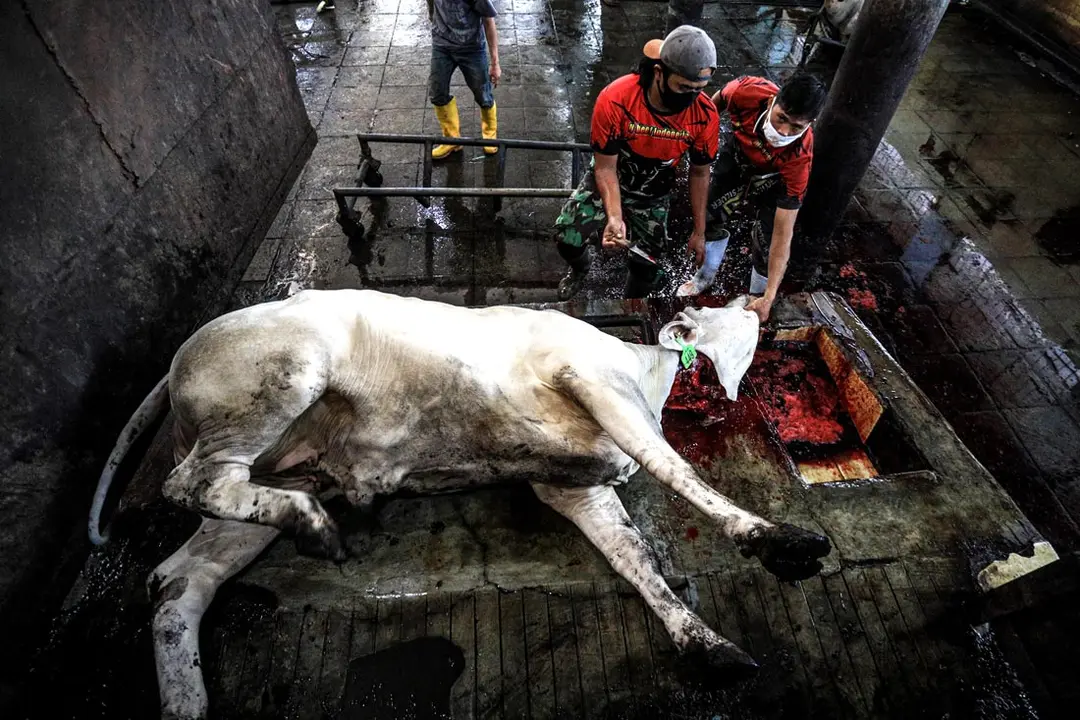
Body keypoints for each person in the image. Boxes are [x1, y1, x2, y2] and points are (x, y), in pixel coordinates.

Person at [553, 25, 720, 300]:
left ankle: (630, 307)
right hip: (612, 175)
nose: (691, 97)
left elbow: (700, 173)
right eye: (684, 87)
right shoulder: (616, 99)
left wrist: (699, 231)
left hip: (655, 192)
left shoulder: (704, 114)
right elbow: (605, 167)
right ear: (659, 73)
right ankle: (580, 269)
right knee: (566, 237)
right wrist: (615, 217)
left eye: (699, 89)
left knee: (648, 267)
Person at [688, 73, 827, 322]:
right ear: (773, 100)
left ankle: (757, 298)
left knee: (767, 240)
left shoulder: (799, 161)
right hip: (739, 154)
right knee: (711, 212)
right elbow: (713, 104)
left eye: (796, 127)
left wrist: (771, 296)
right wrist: (694, 137)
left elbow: (783, 234)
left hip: (775, 177)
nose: (783, 132)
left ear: (810, 124)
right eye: (781, 118)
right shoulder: (746, 92)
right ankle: (704, 276)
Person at [426, 0, 501, 159]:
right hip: (442, 46)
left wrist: (495, 63)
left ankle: (489, 135)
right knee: (437, 93)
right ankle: (452, 140)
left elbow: (488, 21)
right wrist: (437, 24)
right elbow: (431, 7)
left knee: (483, 95)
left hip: (471, 48)